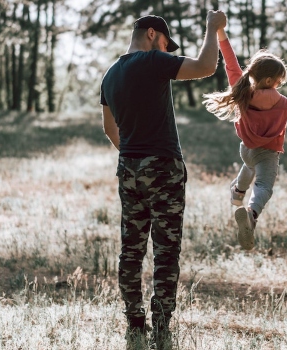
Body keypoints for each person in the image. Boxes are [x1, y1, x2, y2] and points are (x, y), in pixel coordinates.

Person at [100, 12, 227, 350]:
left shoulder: (110, 75)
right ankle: (161, 325)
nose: (169, 52)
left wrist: (133, 153)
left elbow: (109, 128)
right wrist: (212, 28)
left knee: (131, 248)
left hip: (128, 168)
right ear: (152, 34)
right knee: (166, 250)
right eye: (167, 45)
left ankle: (134, 321)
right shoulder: (153, 61)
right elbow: (205, 66)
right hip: (163, 167)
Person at [203, 28, 287, 250]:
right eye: (278, 81)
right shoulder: (282, 102)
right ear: (270, 80)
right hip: (267, 154)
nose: (279, 85)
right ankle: (251, 213)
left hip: (246, 150)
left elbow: (230, 62)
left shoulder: (243, 92)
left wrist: (221, 33)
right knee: (263, 186)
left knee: (249, 166)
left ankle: (238, 191)